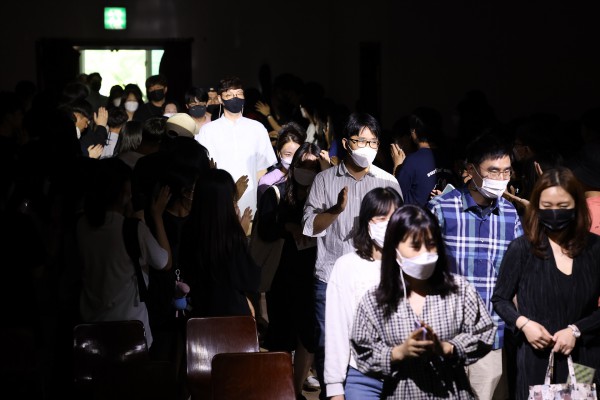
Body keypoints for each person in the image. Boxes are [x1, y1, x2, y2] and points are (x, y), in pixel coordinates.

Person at [302, 112, 401, 397]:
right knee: (329, 347)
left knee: (374, 348)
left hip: (375, 280)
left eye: (373, 142)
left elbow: (398, 235)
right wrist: (335, 210)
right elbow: (309, 227)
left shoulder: (388, 182)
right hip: (330, 279)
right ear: (346, 143)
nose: (367, 148)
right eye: (361, 141)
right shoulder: (324, 180)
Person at [351, 204, 496, 399]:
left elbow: (484, 333)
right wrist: (398, 353)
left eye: (431, 244)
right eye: (415, 246)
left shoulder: (459, 290)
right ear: (394, 248)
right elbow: (363, 353)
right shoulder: (375, 301)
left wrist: (448, 348)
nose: (425, 252)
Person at [426, 133, 523, 399]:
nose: (500, 178)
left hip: (491, 337)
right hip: (446, 334)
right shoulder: (441, 209)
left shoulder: (511, 215)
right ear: (471, 170)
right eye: (493, 171)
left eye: (506, 172)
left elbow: (517, 276)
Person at [491, 167, 600, 400]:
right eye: (547, 206)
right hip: (536, 356)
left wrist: (576, 330)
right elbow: (500, 299)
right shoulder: (522, 249)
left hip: (582, 357)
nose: (555, 213)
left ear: (576, 206)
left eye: (563, 206)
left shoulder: (594, 249)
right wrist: (524, 324)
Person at [77, 158, 172, 349]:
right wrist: (157, 217)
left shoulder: (81, 224)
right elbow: (165, 262)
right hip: (130, 331)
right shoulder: (132, 229)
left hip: (91, 330)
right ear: (123, 194)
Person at [256, 142, 325, 398]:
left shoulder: (324, 197)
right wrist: (287, 226)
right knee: (281, 334)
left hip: (313, 274)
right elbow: (264, 229)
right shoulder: (277, 193)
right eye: (302, 164)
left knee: (308, 335)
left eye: (313, 166)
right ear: (293, 166)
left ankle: (295, 390)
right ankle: (281, 388)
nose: (307, 170)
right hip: (281, 273)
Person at [324, 186, 403, 400]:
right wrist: (334, 387)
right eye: (381, 218)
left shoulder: (411, 265)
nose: (388, 225)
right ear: (367, 222)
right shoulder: (346, 266)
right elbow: (337, 329)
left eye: (394, 218)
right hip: (362, 378)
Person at [180, 168, 260, 317]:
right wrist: (241, 234)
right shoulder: (232, 235)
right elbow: (251, 280)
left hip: (199, 315)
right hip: (231, 317)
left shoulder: (188, 229)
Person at [196, 76, 277, 218]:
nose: (235, 98)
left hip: (251, 205)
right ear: (220, 99)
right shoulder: (208, 131)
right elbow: (205, 170)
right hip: (219, 205)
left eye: (239, 94)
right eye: (229, 95)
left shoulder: (257, 128)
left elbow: (262, 170)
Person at [391, 106, 456, 206]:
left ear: (413, 132)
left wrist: (397, 166)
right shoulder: (447, 157)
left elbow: (395, 197)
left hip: (416, 214)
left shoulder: (413, 160)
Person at [256, 122, 306, 203]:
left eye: (297, 154)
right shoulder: (267, 181)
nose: (293, 159)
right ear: (279, 153)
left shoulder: (308, 175)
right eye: (288, 154)